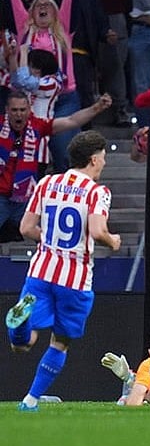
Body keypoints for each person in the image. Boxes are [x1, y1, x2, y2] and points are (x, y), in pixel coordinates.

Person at [5, 130, 122, 412]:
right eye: (103, 158)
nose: (104, 163)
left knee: (23, 344)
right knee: (61, 341)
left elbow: (25, 228)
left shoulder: (47, 183)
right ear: (94, 159)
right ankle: (30, 400)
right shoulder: (97, 192)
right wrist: (112, 240)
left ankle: (19, 326)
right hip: (75, 278)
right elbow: (96, 230)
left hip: (41, 270)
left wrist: (50, 240)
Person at [0, 90, 113, 240]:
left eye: (22, 110)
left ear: (29, 110)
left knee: (40, 235)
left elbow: (71, 121)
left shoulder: (37, 126)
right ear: (7, 110)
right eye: (14, 110)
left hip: (24, 197)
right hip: (1, 197)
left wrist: (96, 108)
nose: (19, 114)